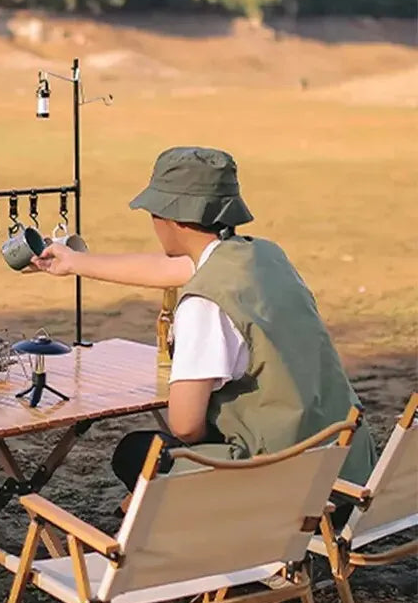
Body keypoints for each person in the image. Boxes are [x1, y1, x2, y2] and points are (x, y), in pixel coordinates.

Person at [31, 146, 377, 497]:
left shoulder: (203, 304)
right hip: (344, 466)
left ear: (173, 218)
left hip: (288, 488)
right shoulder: (266, 256)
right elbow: (171, 270)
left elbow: (185, 425)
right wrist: (72, 262)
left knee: (135, 453)